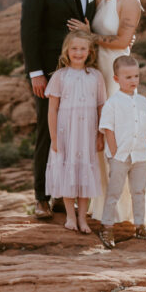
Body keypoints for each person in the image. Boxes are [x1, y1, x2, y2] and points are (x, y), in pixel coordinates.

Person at [67, 0, 146, 225]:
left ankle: (124, 211)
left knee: (121, 135)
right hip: (97, 72)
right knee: (99, 138)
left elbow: (121, 42)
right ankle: (103, 204)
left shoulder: (130, 1)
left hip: (116, 73)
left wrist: (90, 35)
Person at [20, 0, 99, 220]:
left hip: (82, 71)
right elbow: (29, 31)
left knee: (77, 133)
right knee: (48, 131)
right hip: (50, 73)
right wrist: (36, 73)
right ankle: (41, 197)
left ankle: (62, 196)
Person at [44, 30, 106, 233]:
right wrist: (54, 137)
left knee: (85, 170)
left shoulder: (96, 76)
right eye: (74, 49)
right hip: (66, 131)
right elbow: (52, 108)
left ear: (89, 52)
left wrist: (100, 134)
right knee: (68, 170)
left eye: (82, 49)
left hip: (87, 131)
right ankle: (70, 216)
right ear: (66, 51)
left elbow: (100, 107)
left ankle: (83, 218)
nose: (78, 53)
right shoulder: (60, 76)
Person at [96, 55, 146, 249]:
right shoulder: (112, 103)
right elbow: (108, 129)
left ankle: (139, 225)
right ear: (116, 79)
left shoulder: (142, 101)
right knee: (114, 192)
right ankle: (107, 226)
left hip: (140, 155)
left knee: (138, 191)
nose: (133, 81)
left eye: (136, 76)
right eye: (128, 77)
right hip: (120, 156)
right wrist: (114, 153)